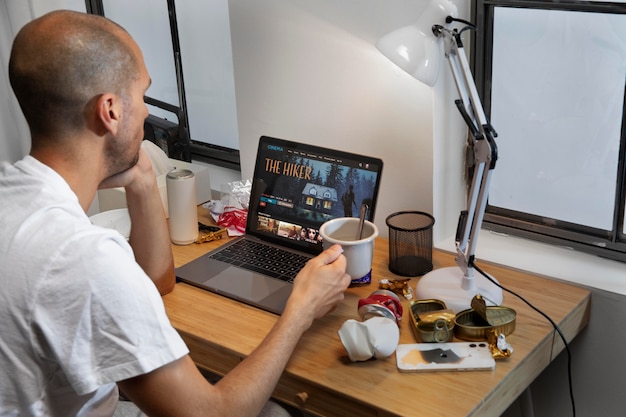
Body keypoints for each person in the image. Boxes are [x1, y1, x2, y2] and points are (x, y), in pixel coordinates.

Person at [0, 10, 351, 417]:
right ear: (110, 111)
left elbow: (154, 284)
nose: (147, 112)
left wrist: (143, 178)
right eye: (142, 94)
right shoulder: (85, 257)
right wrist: (300, 310)